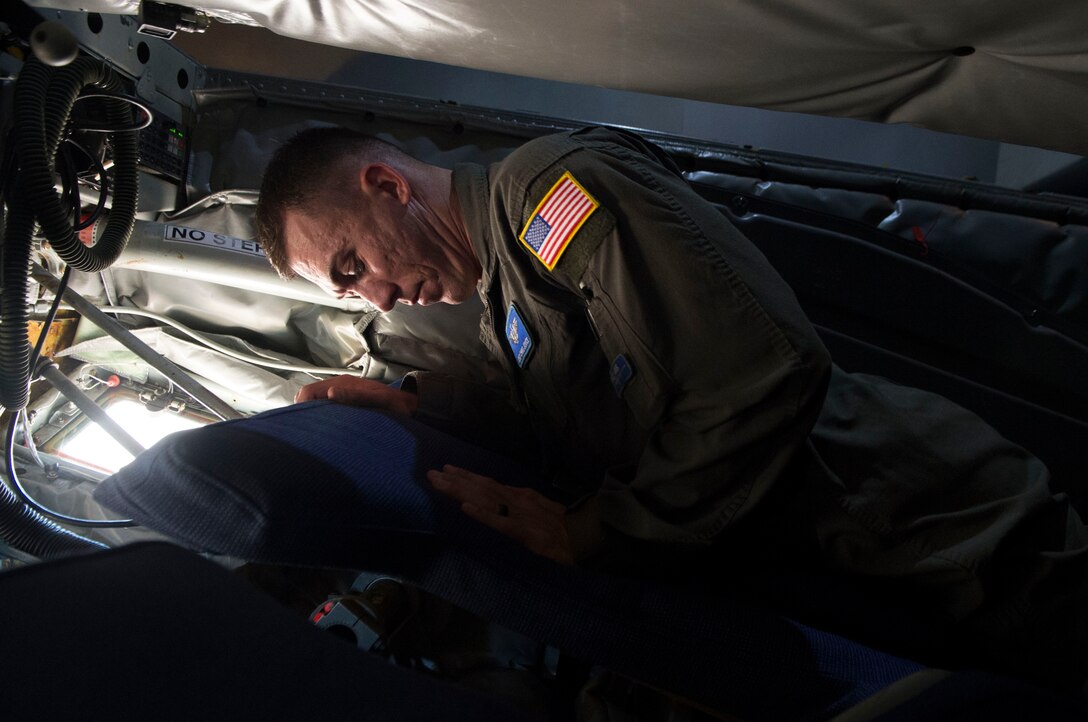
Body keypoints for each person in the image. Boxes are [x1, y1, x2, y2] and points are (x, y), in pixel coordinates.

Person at [255, 125, 1088, 693]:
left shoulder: (550, 194)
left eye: (354, 266)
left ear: (387, 184)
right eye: (353, 289)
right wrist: (415, 408)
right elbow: (566, 416)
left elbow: (758, 377)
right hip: (900, 569)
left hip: (963, 533)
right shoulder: (506, 293)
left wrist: (597, 532)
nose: (383, 300)